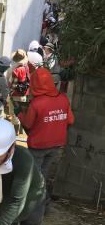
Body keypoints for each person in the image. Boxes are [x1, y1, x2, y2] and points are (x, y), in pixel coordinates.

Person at [20, 67, 74, 198]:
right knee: (43, 173)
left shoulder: (37, 103)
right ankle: (43, 201)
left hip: (39, 145)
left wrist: (20, 114)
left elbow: (27, 124)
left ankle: (35, 204)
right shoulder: (63, 98)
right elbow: (71, 120)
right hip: (56, 144)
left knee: (33, 175)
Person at [8, 49, 30, 134]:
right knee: (23, 113)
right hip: (24, 94)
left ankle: (15, 132)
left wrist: (10, 93)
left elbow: (11, 84)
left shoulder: (16, 71)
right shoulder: (26, 68)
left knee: (14, 114)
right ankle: (21, 131)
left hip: (16, 95)